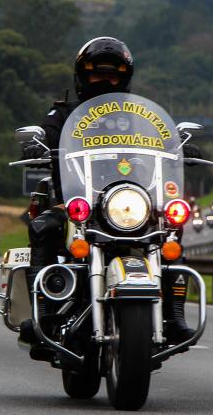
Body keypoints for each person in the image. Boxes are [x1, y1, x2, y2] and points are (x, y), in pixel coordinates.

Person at [19, 36, 197, 345]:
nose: (105, 80)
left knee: (170, 233)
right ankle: (44, 315)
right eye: (96, 74)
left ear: (124, 77)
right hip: (80, 203)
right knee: (45, 226)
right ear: (82, 77)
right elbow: (45, 134)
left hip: (135, 201)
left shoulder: (142, 116)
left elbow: (166, 139)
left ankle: (175, 314)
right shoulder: (63, 114)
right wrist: (36, 144)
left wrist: (181, 146)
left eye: (113, 74)